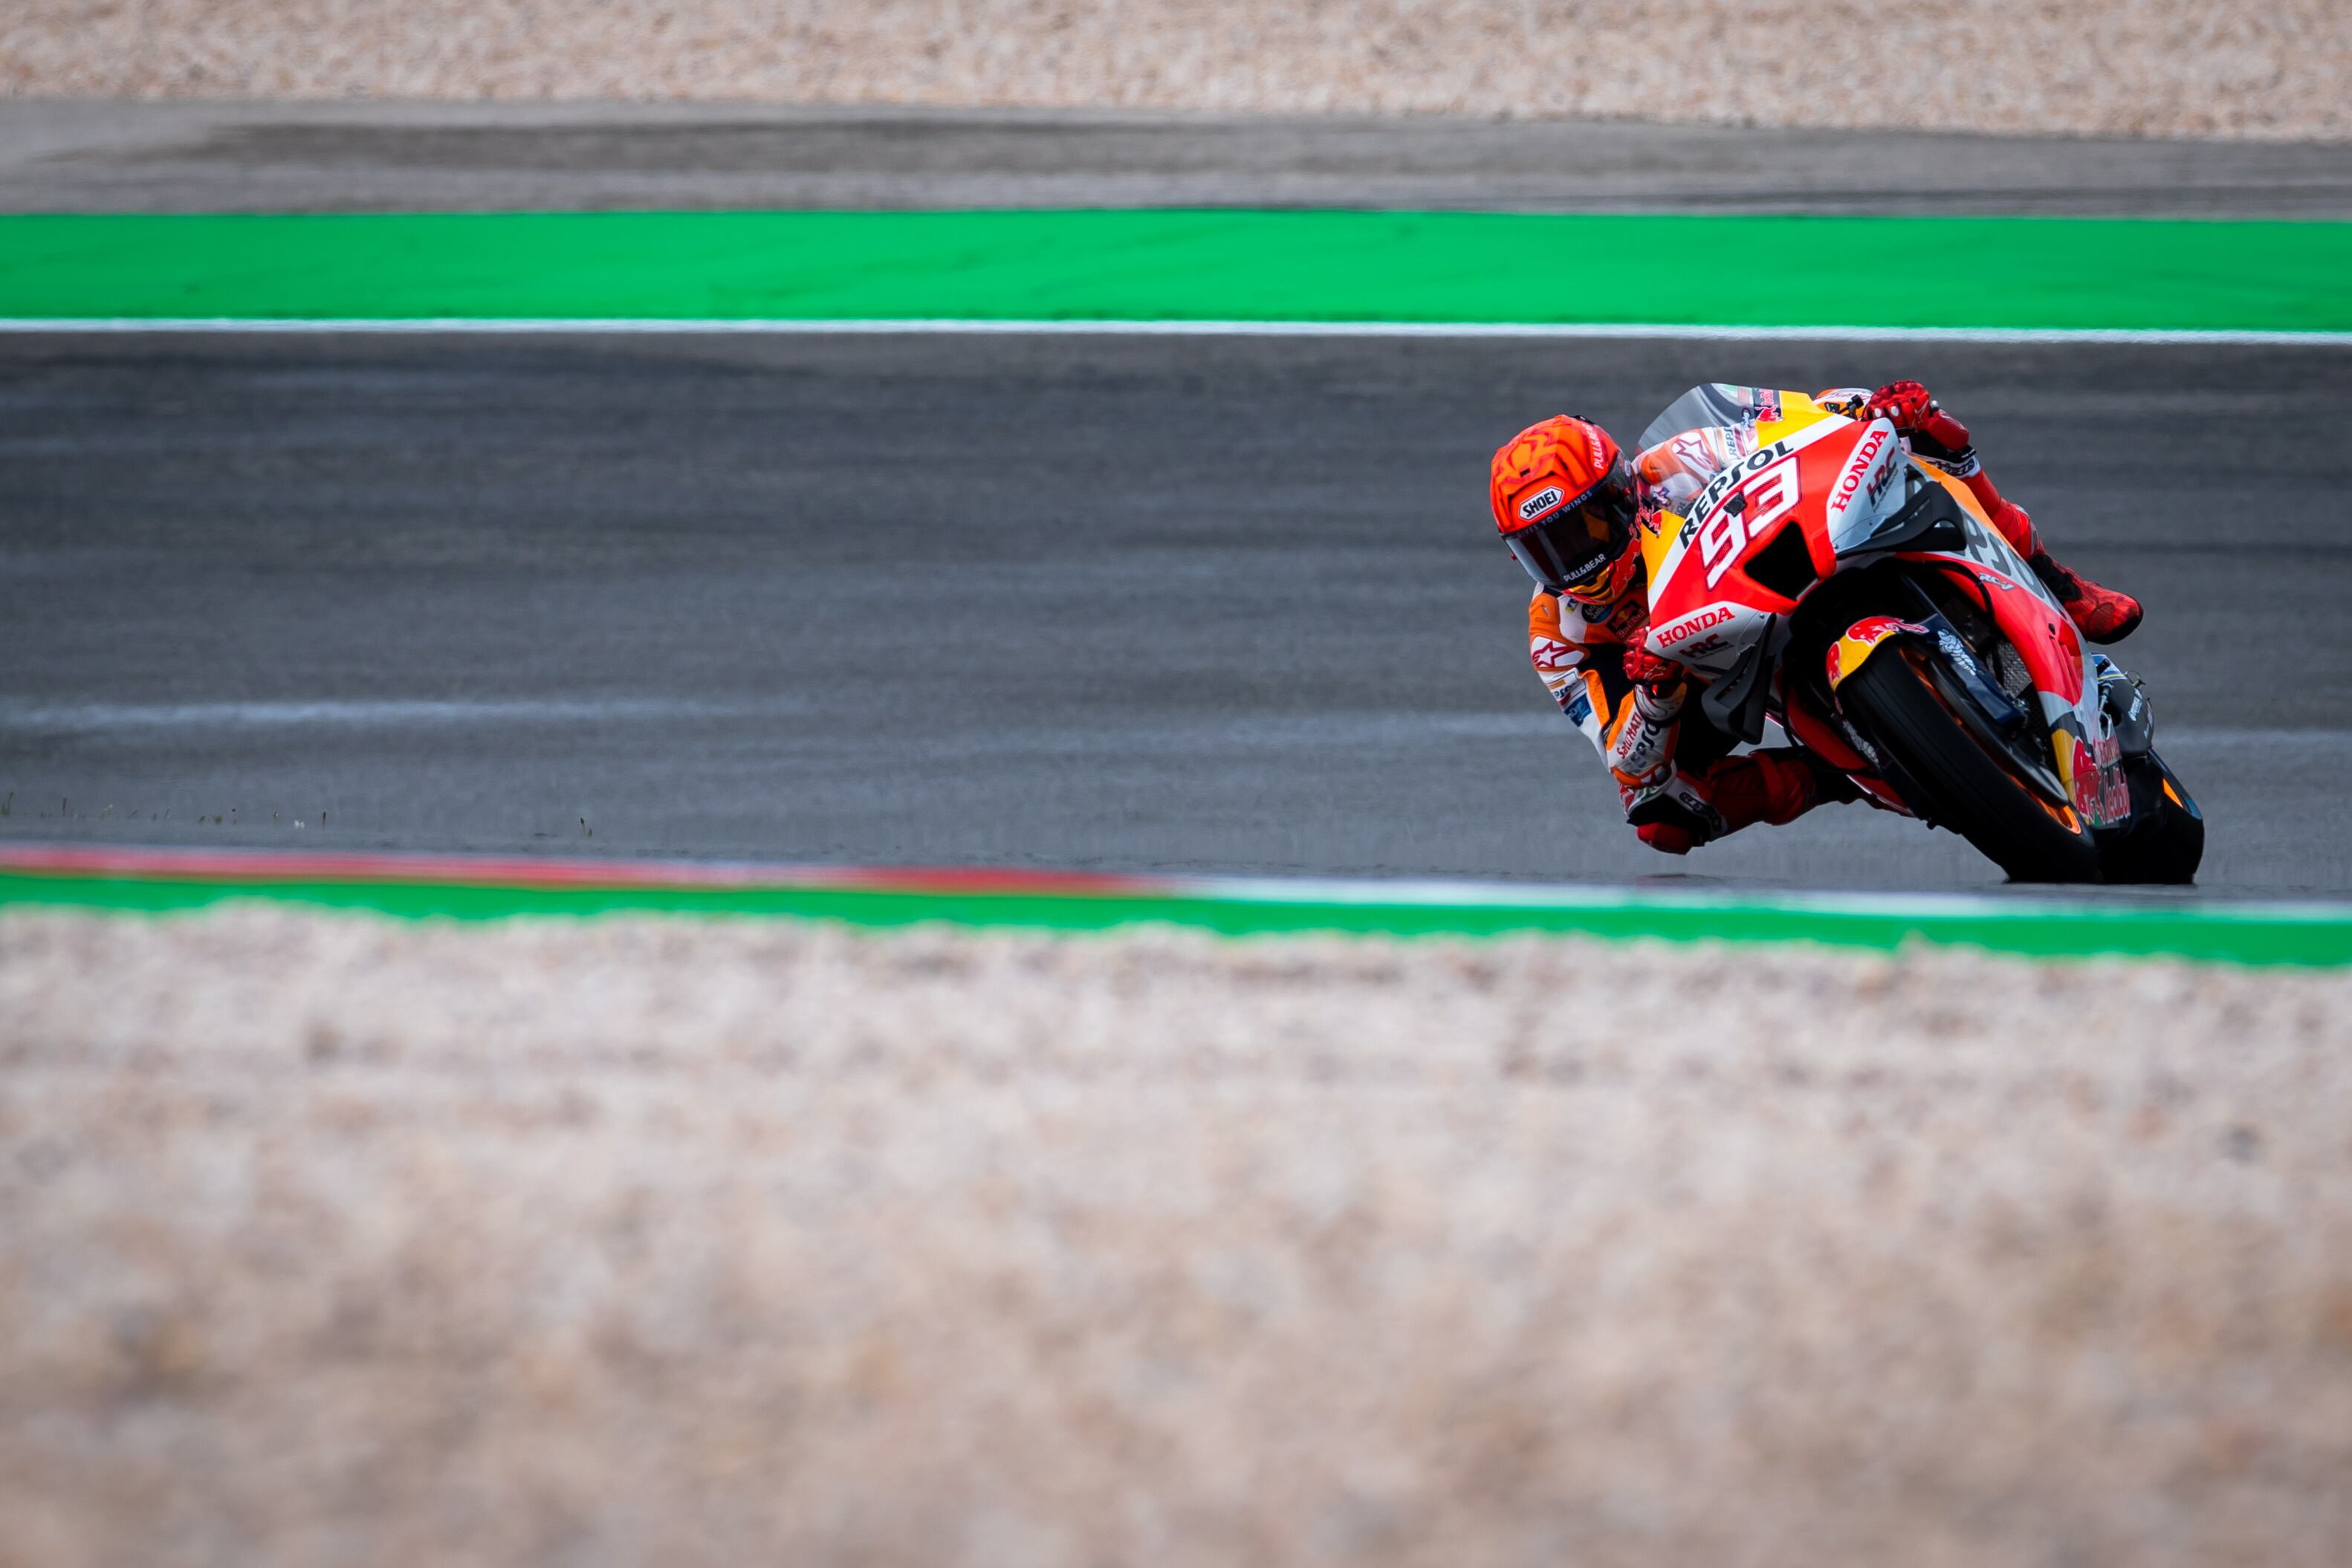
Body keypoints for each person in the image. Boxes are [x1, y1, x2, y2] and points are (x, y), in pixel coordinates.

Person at [1488, 380, 2142, 855]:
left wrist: (1869, 409)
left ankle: (2061, 586)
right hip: (1721, 666)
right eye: (1543, 550)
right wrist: (1656, 698)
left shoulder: (1680, 462)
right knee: (1663, 817)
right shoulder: (1558, 635)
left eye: (1579, 531)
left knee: (1928, 438)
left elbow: (1798, 423)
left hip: (1794, 556)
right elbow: (1627, 764)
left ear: (1619, 492)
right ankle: (1852, 773)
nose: (1569, 561)